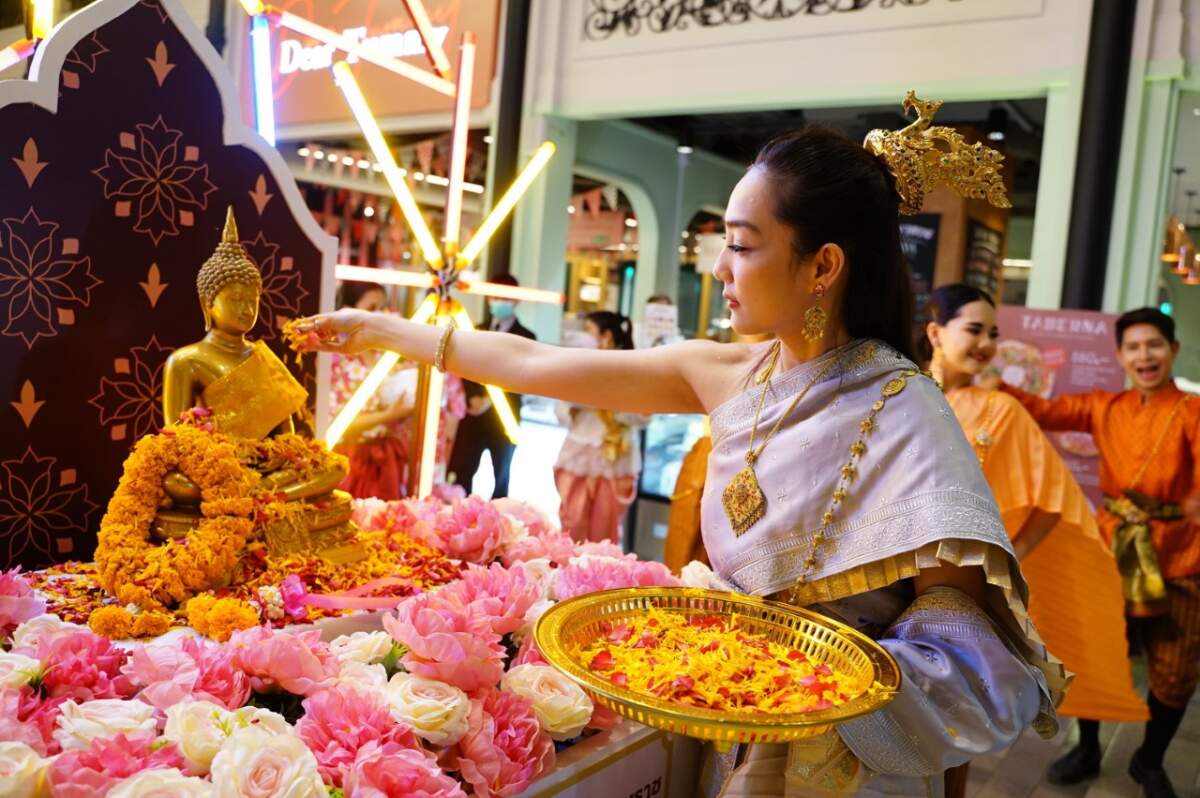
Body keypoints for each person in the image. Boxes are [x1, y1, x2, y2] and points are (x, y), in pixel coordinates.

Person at [295, 116, 1062, 794]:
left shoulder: (906, 411)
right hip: (721, 722)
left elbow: (971, 644)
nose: (717, 269)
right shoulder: (730, 371)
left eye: (740, 246)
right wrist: (388, 333)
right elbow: (539, 365)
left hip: (846, 769)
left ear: (822, 266)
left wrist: (810, 703)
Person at [922, 284, 1148, 792]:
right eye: (974, 329)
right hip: (888, 572)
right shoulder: (900, 394)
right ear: (935, 331)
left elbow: (1052, 500)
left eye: (993, 334)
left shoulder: (1003, 410)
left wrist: (1008, 561)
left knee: (954, 718)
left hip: (963, 589)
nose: (985, 343)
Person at [998, 306, 1200, 798]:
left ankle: (1148, 761)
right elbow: (1039, 410)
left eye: (1154, 344)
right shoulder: (1103, 405)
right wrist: (981, 376)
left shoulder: (1194, 412)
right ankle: (1087, 747)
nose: (1144, 355)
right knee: (1095, 655)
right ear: (1121, 357)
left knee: (1177, 669)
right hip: (1110, 547)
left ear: (1172, 350)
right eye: (1133, 347)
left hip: (1181, 557)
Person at [553, 311, 645, 544]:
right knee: (571, 525)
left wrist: (604, 401)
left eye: (589, 331)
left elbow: (644, 415)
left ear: (607, 336)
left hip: (616, 458)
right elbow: (561, 410)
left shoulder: (634, 368)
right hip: (578, 453)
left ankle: (603, 578)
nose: (583, 336)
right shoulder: (577, 364)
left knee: (606, 532)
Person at [447, 274, 536, 498]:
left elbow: (522, 375)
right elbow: (464, 368)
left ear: (516, 300)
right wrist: (472, 398)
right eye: (494, 296)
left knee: (502, 477)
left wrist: (490, 399)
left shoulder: (526, 337)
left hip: (503, 418)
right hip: (473, 415)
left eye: (504, 297)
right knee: (462, 472)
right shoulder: (476, 329)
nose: (498, 301)